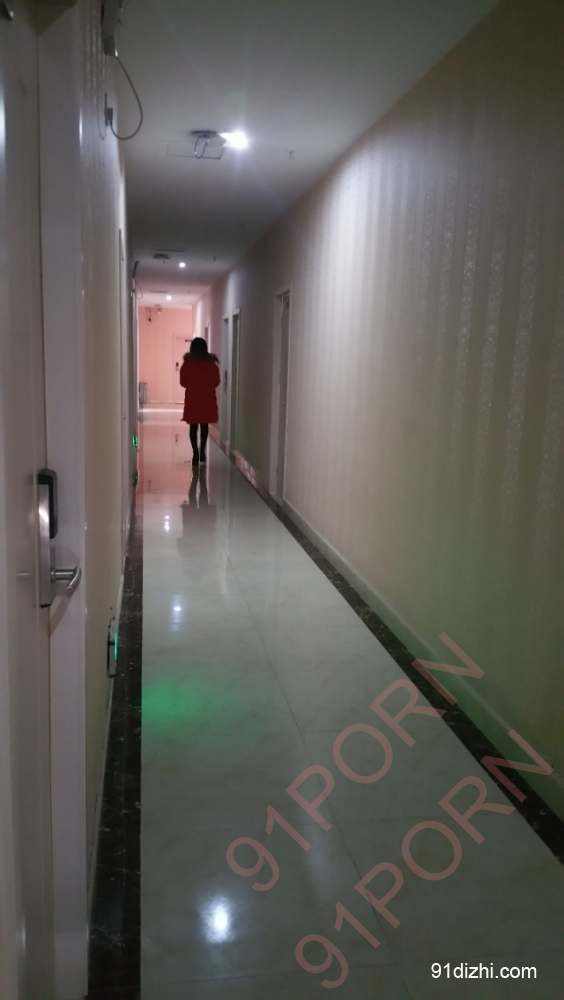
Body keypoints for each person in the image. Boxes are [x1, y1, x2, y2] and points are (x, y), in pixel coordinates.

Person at [179, 337, 220, 464]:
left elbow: (183, 382)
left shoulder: (187, 363)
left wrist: (193, 385)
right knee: (204, 425)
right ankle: (202, 450)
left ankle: (195, 453)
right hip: (207, 399)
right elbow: (216, 381)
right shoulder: (211, 364)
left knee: (193, 426)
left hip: (192, 399)